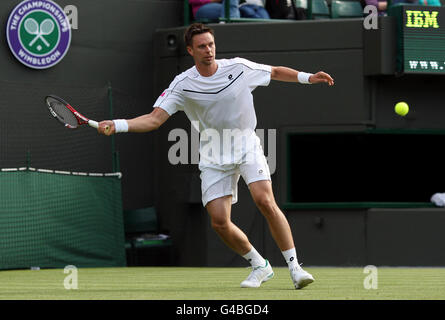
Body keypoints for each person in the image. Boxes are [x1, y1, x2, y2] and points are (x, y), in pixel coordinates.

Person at [97, 23, 334, 289]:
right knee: (220, 222)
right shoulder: (182, 84)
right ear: (190, 50)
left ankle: (295, 268)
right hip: (212, 153)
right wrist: (117, 124)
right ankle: (259, 265)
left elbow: (276, 72)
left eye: (210, 44)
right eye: (201, 46)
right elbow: (154, 120)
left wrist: (308, 77)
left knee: (264, 200)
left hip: (246, 144)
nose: (208, 50)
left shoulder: (239, 68)